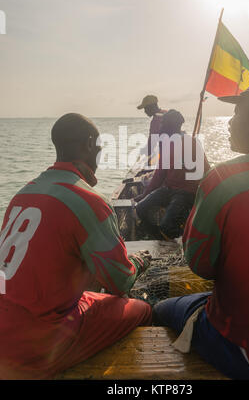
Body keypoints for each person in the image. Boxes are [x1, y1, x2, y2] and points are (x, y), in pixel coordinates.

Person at [152, 77, 249, 380]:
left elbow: (201, 265)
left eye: (237, 113)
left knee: (160, 308)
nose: (230, 123)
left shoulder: (227, 179)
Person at [0, 113, 152, 380]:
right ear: (89, 144)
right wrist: (139, 262)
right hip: (35, 346)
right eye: (99, 149)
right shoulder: (90, 200)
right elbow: (121, 282)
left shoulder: (22, 194)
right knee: (142, 309)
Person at [135, 109, 208, 241]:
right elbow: (159, 175)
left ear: (171, 125)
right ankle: (157, 236)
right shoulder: (168, 144)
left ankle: (175, 236)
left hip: (186, 194)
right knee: (140, 208)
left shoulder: (192, 143)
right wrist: (145, 194)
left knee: (167, 226)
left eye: (163, 123)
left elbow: (206, 171)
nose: (161, 126)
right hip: (168, 189)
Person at [137, 94, 167, 159]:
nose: (145, 111)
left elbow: (150, 149)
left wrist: (141, 152)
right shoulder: (166, 113)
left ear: (151, 107)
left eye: (145, 108)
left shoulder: (156, 121)